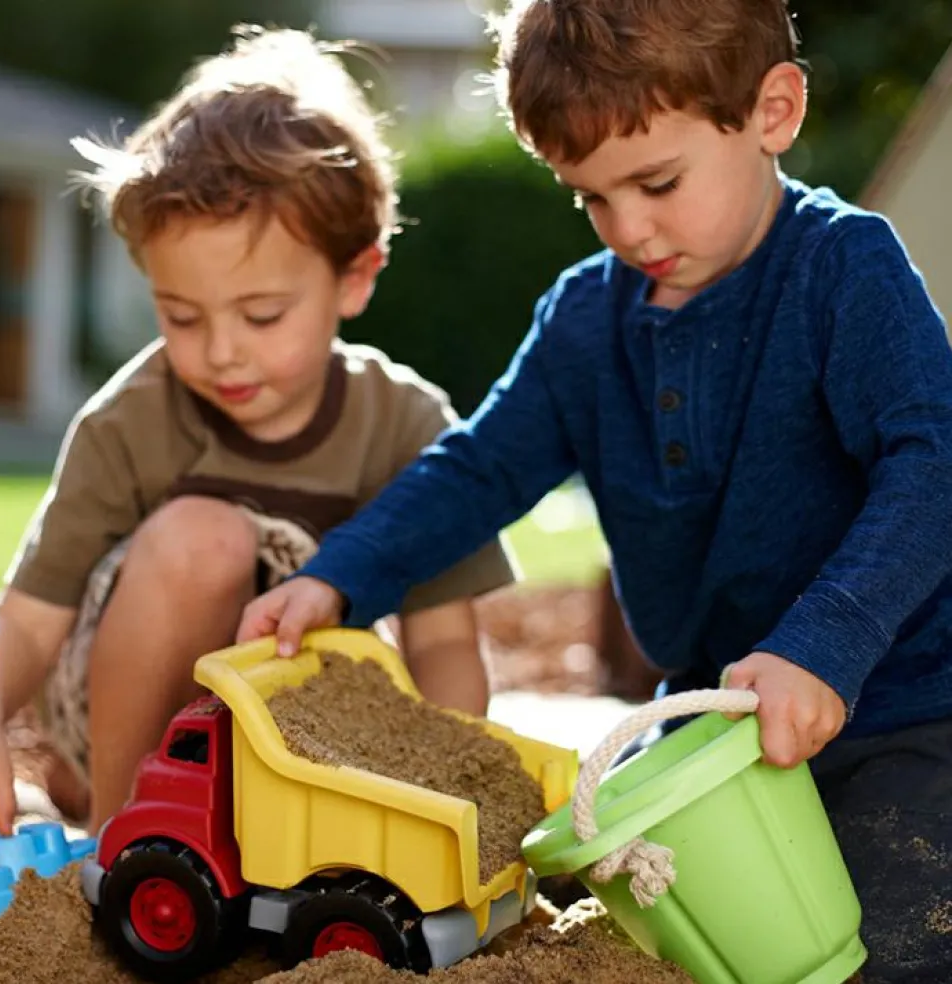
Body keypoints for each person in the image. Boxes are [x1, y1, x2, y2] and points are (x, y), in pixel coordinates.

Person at [238, 2, 952, 981]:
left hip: (903, 714)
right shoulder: (584, 319)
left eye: (657, 183)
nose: (629, 228)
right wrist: (339, 573)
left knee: (885, 948)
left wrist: (821, 650)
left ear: (773, 112)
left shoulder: (843, 270)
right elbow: (481, 466)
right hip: (707, 734)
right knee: (669, 940)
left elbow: (933, 467)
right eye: (591, 199)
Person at [0, 26, 514, 837]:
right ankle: (122, 833)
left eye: (261, 315)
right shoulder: (132, 418)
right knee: (203, 538)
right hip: (119, 716)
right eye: (181, 316)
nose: (221, 351)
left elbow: (443, 646)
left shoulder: (406, 424)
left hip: (303, 723)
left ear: (355, 278)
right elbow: (29, 614)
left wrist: (452, 793)